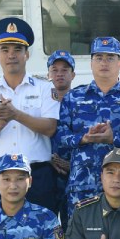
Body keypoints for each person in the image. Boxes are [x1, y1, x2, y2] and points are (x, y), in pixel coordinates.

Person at [0, 18, 61, 212]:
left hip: (36, 175)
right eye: (5, 50)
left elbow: (50, 128)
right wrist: (0, 123)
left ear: (26, 54)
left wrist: (16, 115)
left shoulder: (45, 87)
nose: (11, 55)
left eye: (17, 50)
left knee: (41, 235)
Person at [54, 37, 120, 221]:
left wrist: (114, 138)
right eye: (98, 57)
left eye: (110, 58)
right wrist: (82, 139)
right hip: (83, 184)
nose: (104, 63)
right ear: (91, 63)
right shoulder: (73, 97)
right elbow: (60, 134)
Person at [46, 49, 77, 224]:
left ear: (73, 74)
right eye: (54, 70)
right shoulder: (39, 102)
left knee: (71, 224)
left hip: (74, 174)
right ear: (48, 74)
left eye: (64, 70)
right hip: (46, 172)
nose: (59, 74)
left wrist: (71, 163)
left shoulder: (82, 103)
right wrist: (47, 157)